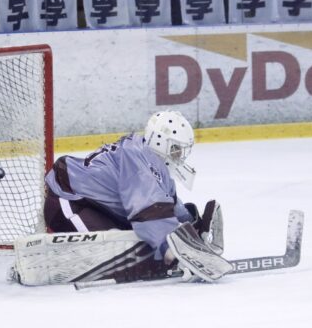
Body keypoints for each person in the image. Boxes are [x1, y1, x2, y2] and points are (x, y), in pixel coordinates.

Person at [42, 110, 230, 281]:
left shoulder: (150, 163)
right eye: (176, 149)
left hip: (93, 207)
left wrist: (192, 224)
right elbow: (148, 209)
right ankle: (48, 262)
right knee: (116, 250)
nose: (179, 156)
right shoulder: (140, 161)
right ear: (159, 141)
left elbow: (168, 205)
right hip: (68, 202)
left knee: (139, 241)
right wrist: (172, 251)